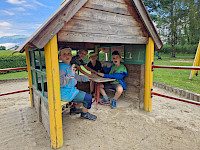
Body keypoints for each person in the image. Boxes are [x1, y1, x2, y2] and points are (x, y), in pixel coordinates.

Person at [59, 48, 97, 121]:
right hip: (65, 93)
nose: (67, 55)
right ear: (60, 57)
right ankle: (84, 114)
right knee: (88, 98)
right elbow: (61, 83)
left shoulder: (68, 65)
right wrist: (69, 75)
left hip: (70, 90)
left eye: (69, 53)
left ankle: (75, 110)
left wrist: (85, 79)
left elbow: (75, 75)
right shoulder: (61, 68)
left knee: (83, 95)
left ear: (71, 55)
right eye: (64, 54)